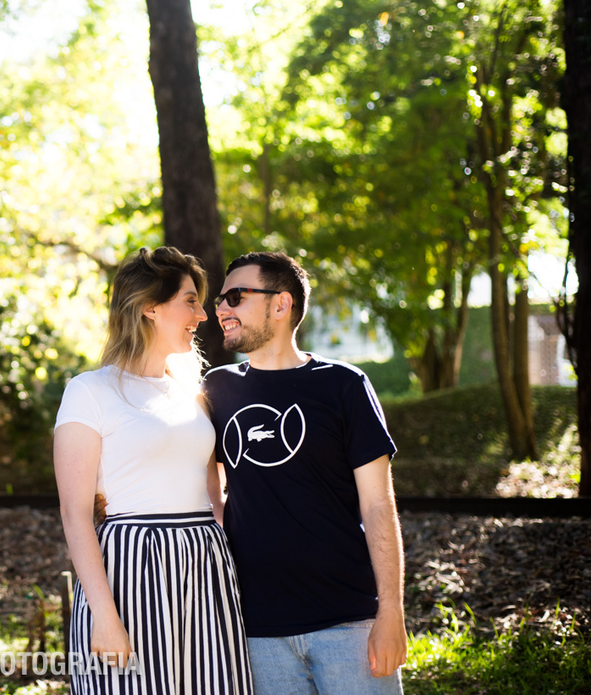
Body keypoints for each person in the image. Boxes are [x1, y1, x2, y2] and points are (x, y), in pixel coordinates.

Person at [203, 251, 407, 695]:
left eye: (235, 297)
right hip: (255, 630)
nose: (220, 309)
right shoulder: (216, 389)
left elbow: (378, 505)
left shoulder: (344, 384)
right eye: (219, 300)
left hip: (347, 622)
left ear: (281, 304)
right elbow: (205, 485)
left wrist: (391, 612)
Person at [54, 246, 254, 695]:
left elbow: (214, 490)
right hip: (130, 569)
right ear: (150, 307)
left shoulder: (194, 393)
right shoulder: (90, 391)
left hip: (204, 567)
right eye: (190, 301)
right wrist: (105, 616)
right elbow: (75, 514)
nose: (201, 315)